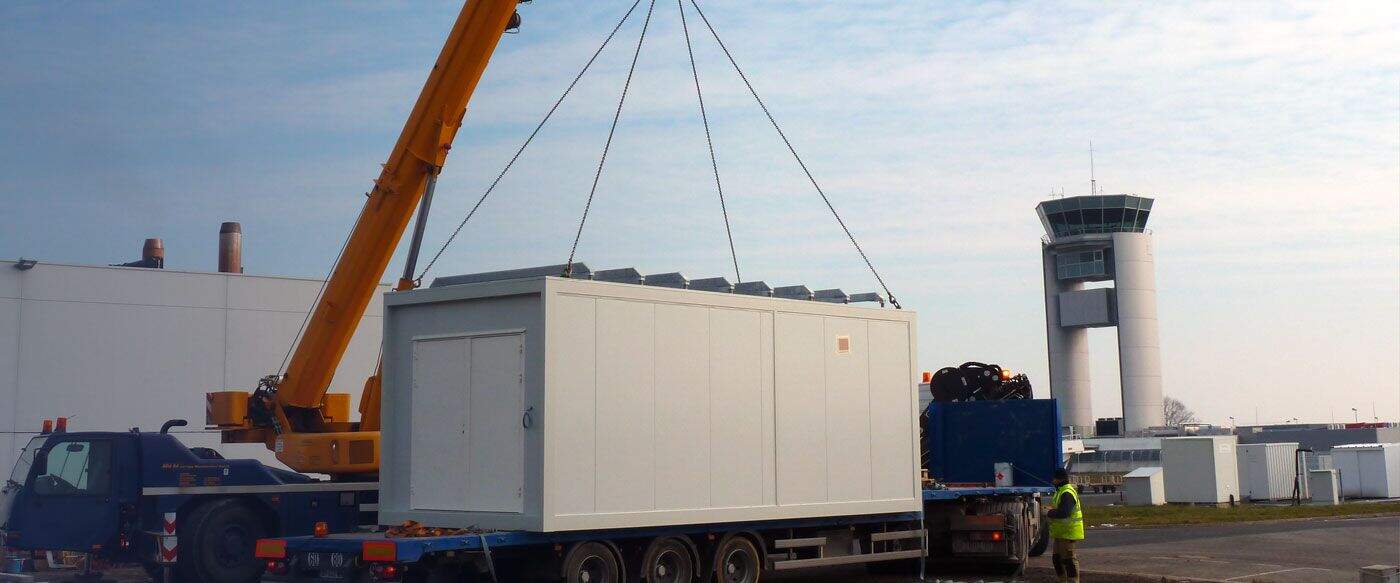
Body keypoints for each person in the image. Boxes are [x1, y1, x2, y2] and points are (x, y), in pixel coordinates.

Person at [1046, 468, 1084, 583]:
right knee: (1057, 559)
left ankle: (1073, 581)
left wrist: (1048, 513)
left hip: (1068, 533)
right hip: (1060, 533)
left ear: (1059, 479)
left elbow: (1064, 512)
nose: (1052, 480)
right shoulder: (1060, 491)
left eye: (1054, 478)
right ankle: (1063, 580)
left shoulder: (1067, 492)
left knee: (1069, 561)